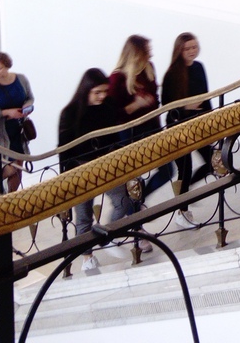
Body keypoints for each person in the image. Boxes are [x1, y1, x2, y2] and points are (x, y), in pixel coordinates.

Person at [58, 69, 118, 272]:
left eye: (105, 91)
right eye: (97, 92)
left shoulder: (108, 106)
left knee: (123, 201)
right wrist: (65, 183)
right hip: (80, 171)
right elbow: (64, 151)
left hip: (106, 166)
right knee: (83, 216)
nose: (102, 96)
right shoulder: (70, 113)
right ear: (86, 90)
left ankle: (107, 237)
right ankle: (87, 257)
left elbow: (114, 138)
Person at [160, 33, 214, 227]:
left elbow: (206, 97)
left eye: (194, 47)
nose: (192, 51)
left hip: (199, 125)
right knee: (185, 168)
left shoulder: (199, 67)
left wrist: (212, 122)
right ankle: (182, 212)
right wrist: (186, 106)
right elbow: (166, 104)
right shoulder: (172, 74)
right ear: (179, 50)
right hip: (179, 128)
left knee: (212, 161)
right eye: (187, 48)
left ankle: (187, 191)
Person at [106, 35, 160, 229]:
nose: (150, 54)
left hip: (151, 129)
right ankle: (135, 227)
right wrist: (135, 105)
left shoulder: (148, 69)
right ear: (137, 53)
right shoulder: (117, 78)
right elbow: (112, 114)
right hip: (128, 135)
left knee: (167, 169)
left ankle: (138, 201)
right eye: (147, 50)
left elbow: (155, 100)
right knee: (132, 179)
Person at [0, 51, 34, 195]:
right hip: (1, 132)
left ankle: (11, 197)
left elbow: (30, 98)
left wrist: (26, 108)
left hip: (19, 129)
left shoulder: (21, 79)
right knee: (12, 165)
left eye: (0, 68)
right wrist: (6, 112)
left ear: (7, 66)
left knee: (19, 164)